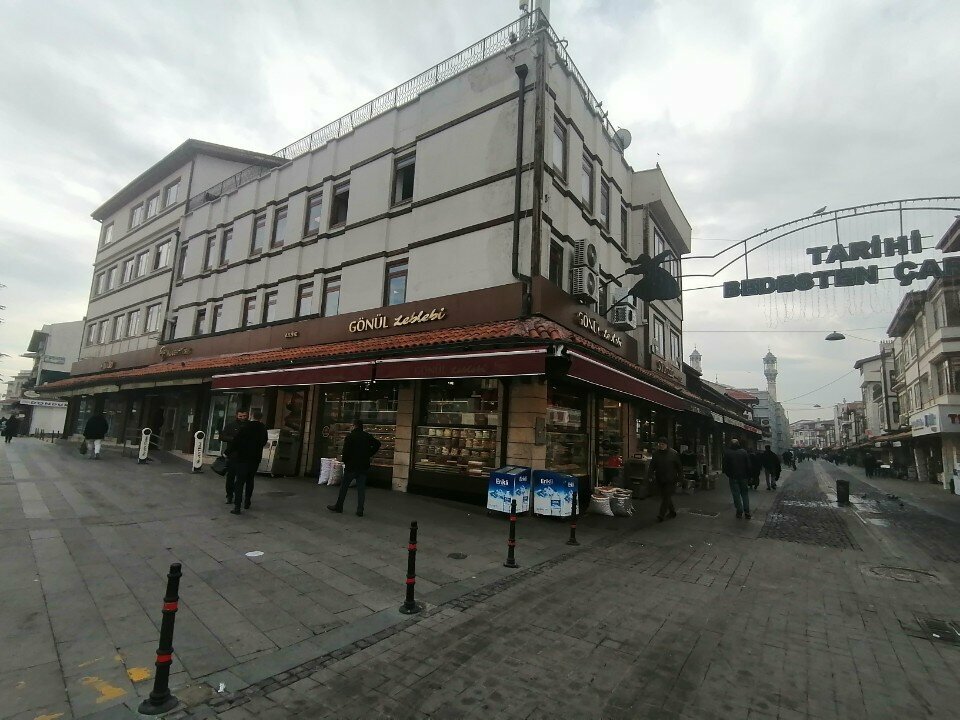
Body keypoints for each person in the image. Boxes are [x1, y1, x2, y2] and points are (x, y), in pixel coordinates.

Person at [328, 420, 381, 517]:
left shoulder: (350, 437)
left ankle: (339, 506)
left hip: (351, 466)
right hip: (363, 466)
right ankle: (360, 509)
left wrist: (345, 461)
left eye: (352, 425)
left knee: (344, 487)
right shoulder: (367, 436)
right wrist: (369, 453)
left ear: (354, 426)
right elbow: (378, 444)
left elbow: (346, 451)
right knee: (361, 489)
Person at [226, 408, 268, 515]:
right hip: (255, 458)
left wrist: (227, 452)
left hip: (243, 458)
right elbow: (264, 442)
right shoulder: (263, 428)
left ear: (251, 416)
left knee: (239, 481)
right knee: (250, 480)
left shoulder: (246, 427)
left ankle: (237, 506)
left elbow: (237, 441)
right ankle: (247, 501)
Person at [647, 437, 682, 522]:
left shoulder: (673, 454)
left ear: (666, 445)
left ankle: (661, 515)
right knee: (665, 496)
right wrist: (650, 475)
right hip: (660, 478)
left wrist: (680, 479)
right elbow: (652, 466)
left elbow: (679, 467)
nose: (661, 446)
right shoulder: (656, 454)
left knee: (666, 496)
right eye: (659, 444)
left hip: (671, 479)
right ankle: (672, 511)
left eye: (662, 444)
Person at [219, 408, 249, 504]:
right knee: (230, 477)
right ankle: (229, 495)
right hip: (232, 455)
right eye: (240, 416)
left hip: (245, 456)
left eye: (244, 416)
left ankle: (239, 496)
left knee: (242, 478)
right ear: (236, 415)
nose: (242, 418)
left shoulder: (249, 426)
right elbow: (222, 436)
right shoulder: (231, 425)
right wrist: (234, 439)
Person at [723, 438, 752, 519]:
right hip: (743, 477)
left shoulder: (728, 453)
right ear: (738, 444)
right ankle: (747, 511)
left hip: (733, 477)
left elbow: (724, 466)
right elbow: (748, 465)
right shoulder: (744, 452)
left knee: (736, 494)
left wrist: (729, 474)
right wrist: (749, 476)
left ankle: (739, 511)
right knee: (745, 494)